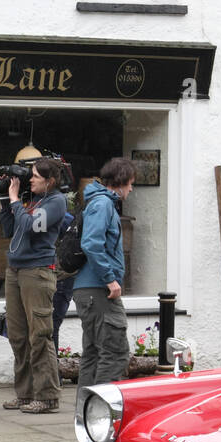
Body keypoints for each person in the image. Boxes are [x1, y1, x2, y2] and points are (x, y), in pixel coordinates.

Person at [0, 157, 67, 413]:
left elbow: (30, 226)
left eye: (35, 176)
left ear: (49, 181)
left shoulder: (56, 202)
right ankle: (25, 393)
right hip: (15, 271)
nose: (30, 179)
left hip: (37, 272)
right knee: (17, 335)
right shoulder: (33, 200)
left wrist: (16, 201)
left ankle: (48, 396)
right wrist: (6, 202)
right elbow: (9, 229)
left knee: (39, 335)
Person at [72, 157, 136, 407]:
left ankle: (86, 412)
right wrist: (110, 279)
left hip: (89, 290)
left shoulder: (99, 203)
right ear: (119, 182)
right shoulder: (103, 205)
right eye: (130, 184)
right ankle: (103, 414)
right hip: (98, 290)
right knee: (114, 352)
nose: (131, 189)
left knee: (95, 354)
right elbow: (91, 243)